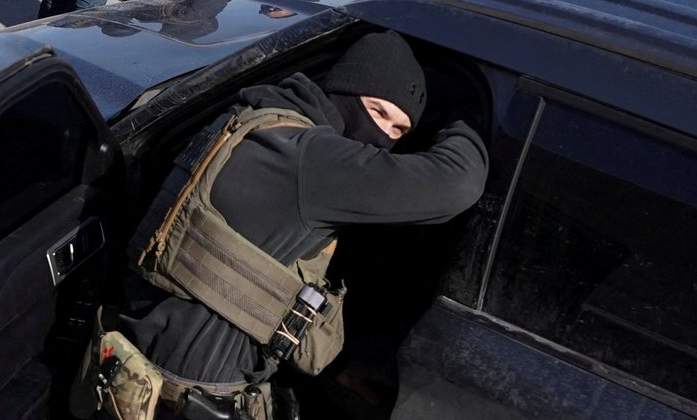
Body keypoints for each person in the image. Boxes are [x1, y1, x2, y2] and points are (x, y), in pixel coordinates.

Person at [95, 31, 487, 419]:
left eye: (400, 130)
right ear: (344, 90)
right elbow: (457, 183)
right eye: (377, 111)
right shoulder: (311, 161)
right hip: (192, 397)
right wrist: (468, 114)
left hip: (143, 370)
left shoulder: (258, 120)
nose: (384, 135)